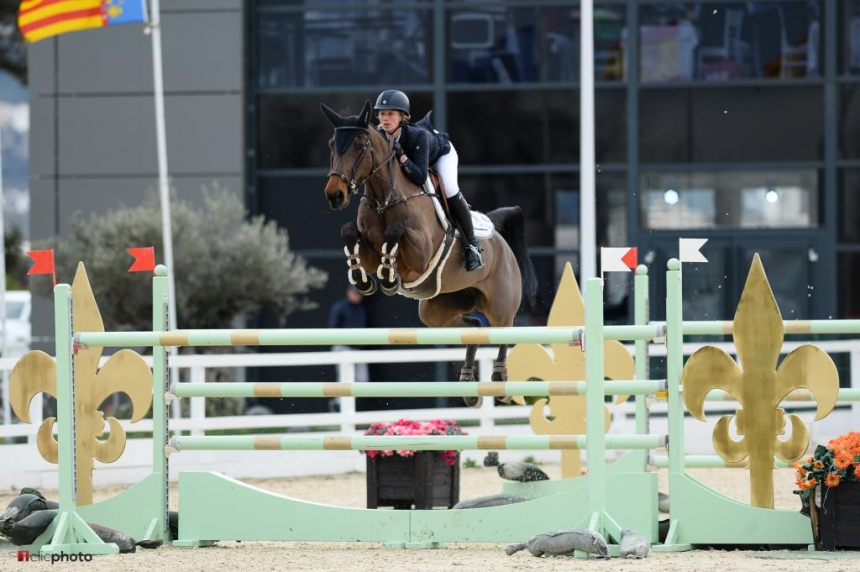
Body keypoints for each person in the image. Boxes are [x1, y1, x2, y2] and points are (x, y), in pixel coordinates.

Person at [373, 89, 484, 271]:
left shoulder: (418, 136)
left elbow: (420, 177)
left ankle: (472, 246)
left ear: (402, 117)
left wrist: (402, 157)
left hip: (440, 155)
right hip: (417, 160)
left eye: (390, 114)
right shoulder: (379, 136)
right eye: (382, 114)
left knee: (450, 190)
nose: (385, 118)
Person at [327, 287, 369, 413]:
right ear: (348, 292)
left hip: (357, 349)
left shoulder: (362, 310)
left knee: (362, 380)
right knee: (343, 379)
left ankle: (347, 408)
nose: (357, 296)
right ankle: (338, 406)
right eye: (355, 293)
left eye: (359, 294)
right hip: (343, 347)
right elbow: (333, 328)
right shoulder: (340, 307)